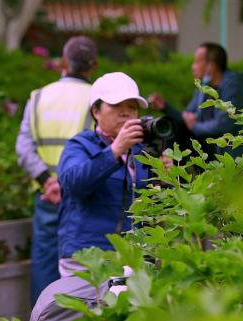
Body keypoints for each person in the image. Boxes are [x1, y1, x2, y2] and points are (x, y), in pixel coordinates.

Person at [16, 36, 98, 306]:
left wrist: (47, 181)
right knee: (85, 269)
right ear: (94, 65)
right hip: (85, 197)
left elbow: (23, 148)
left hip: (47, 197)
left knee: (45, 265)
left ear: (63, 62)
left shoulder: (39, 97)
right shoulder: (98, 100)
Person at [56, 72, 154, 276]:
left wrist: (167, 176)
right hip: (87, 258)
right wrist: (114, 150)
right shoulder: (80, 145)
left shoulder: (143, 152)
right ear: (96, 111)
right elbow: (74, 185)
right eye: (117, 106)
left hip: (132, 256)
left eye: (132, 107)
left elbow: (156, 204)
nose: (126, 113)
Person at [149, 42, 243, 157]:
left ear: (211, 66)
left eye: (197, 62)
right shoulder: (204, 87)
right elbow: (187, 118)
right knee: (174, 128)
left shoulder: (233, 85)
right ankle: (171, 170)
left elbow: (224, 124)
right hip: (210, 149)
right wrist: (165, 107)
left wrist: (195, 126)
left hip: (232, 152)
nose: (193, 66)